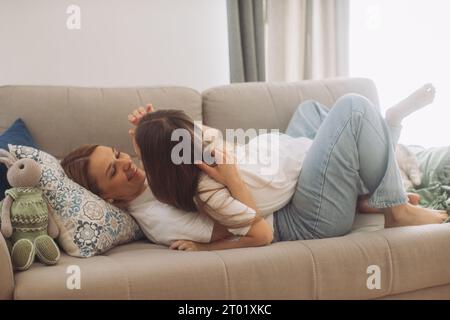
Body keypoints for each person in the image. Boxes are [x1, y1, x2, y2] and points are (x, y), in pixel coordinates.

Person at [61, 84, 448, 251]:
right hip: (298, 216)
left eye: (118, 154)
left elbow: (189, 150)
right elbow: (250, 227)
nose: (126, 165)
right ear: (108, 197)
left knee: (309, 111)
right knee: (351, 108)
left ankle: (364, 190)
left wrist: (149, 132)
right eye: (113, 172)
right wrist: (230, 179)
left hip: (272, 168)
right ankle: (395, 204)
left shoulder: (157, 171)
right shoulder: (160, 216)